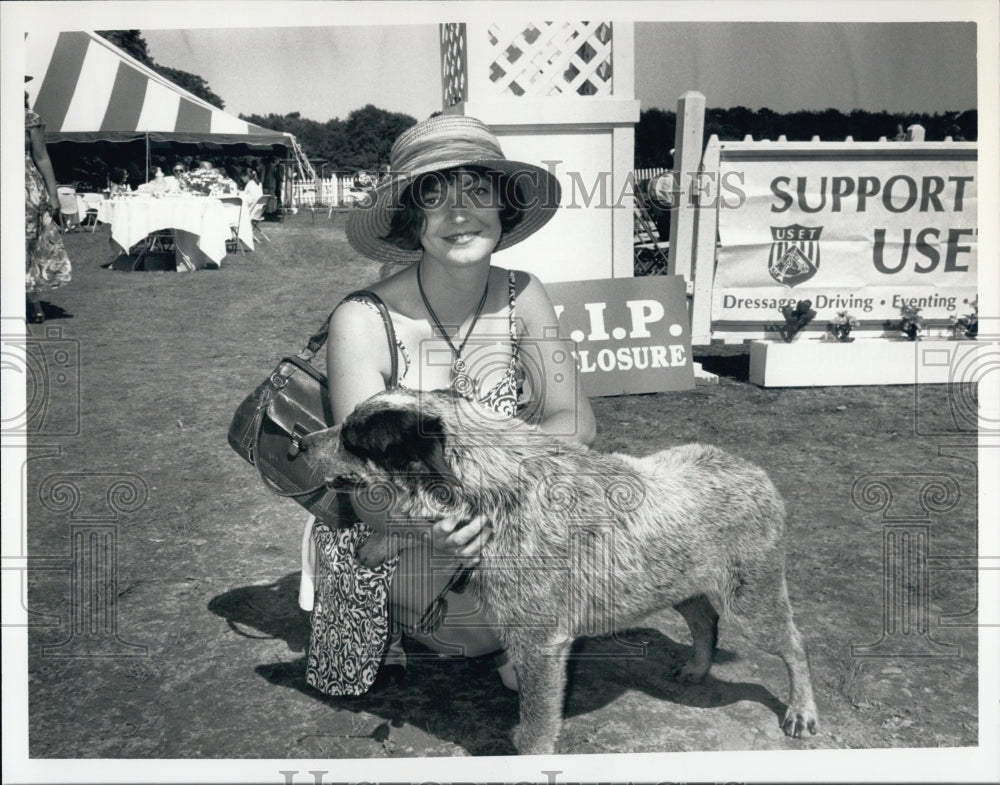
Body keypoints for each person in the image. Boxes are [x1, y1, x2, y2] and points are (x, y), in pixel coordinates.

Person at [298, 114, 596, 697]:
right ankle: (406, 624)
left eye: (478, 191)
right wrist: (441, 525)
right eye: (435, 198)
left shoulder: (524, 294)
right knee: (488, 631)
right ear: (411, 220)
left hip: (499, 510)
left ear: (503, 208)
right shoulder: (361, 319)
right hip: (398, 525)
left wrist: (499, 485)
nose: (460, 214)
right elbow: (362, 483)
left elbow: (576, 419)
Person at [25, 90, 71, 323]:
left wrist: (53, 194)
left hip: (26, 188)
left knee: (29, 245)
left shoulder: (29, 118)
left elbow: (41, 157)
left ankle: (33, 302)